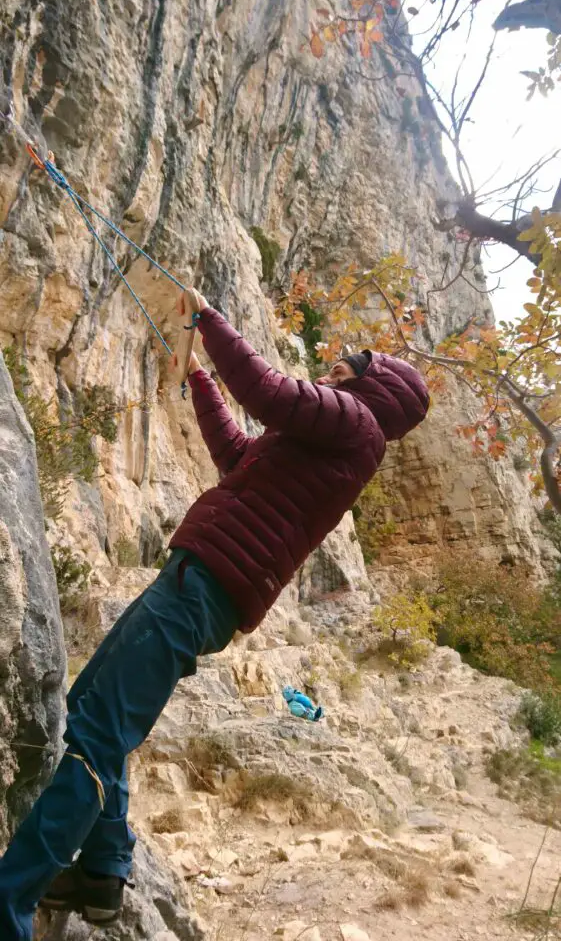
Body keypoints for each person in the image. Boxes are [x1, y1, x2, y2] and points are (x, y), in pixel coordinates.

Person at [0, 290, 429, 939]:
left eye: (345, 366)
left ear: (375, 384)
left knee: (97, 733)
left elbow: (262, 389)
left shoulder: (356, 424)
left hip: (202, 587)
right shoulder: (328, 440)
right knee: (94, 707)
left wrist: (208, 320)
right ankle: (102, 871)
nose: (330, 369)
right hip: (198, 583)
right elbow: (237, 457)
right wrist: (199, 380)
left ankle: (12, 900)